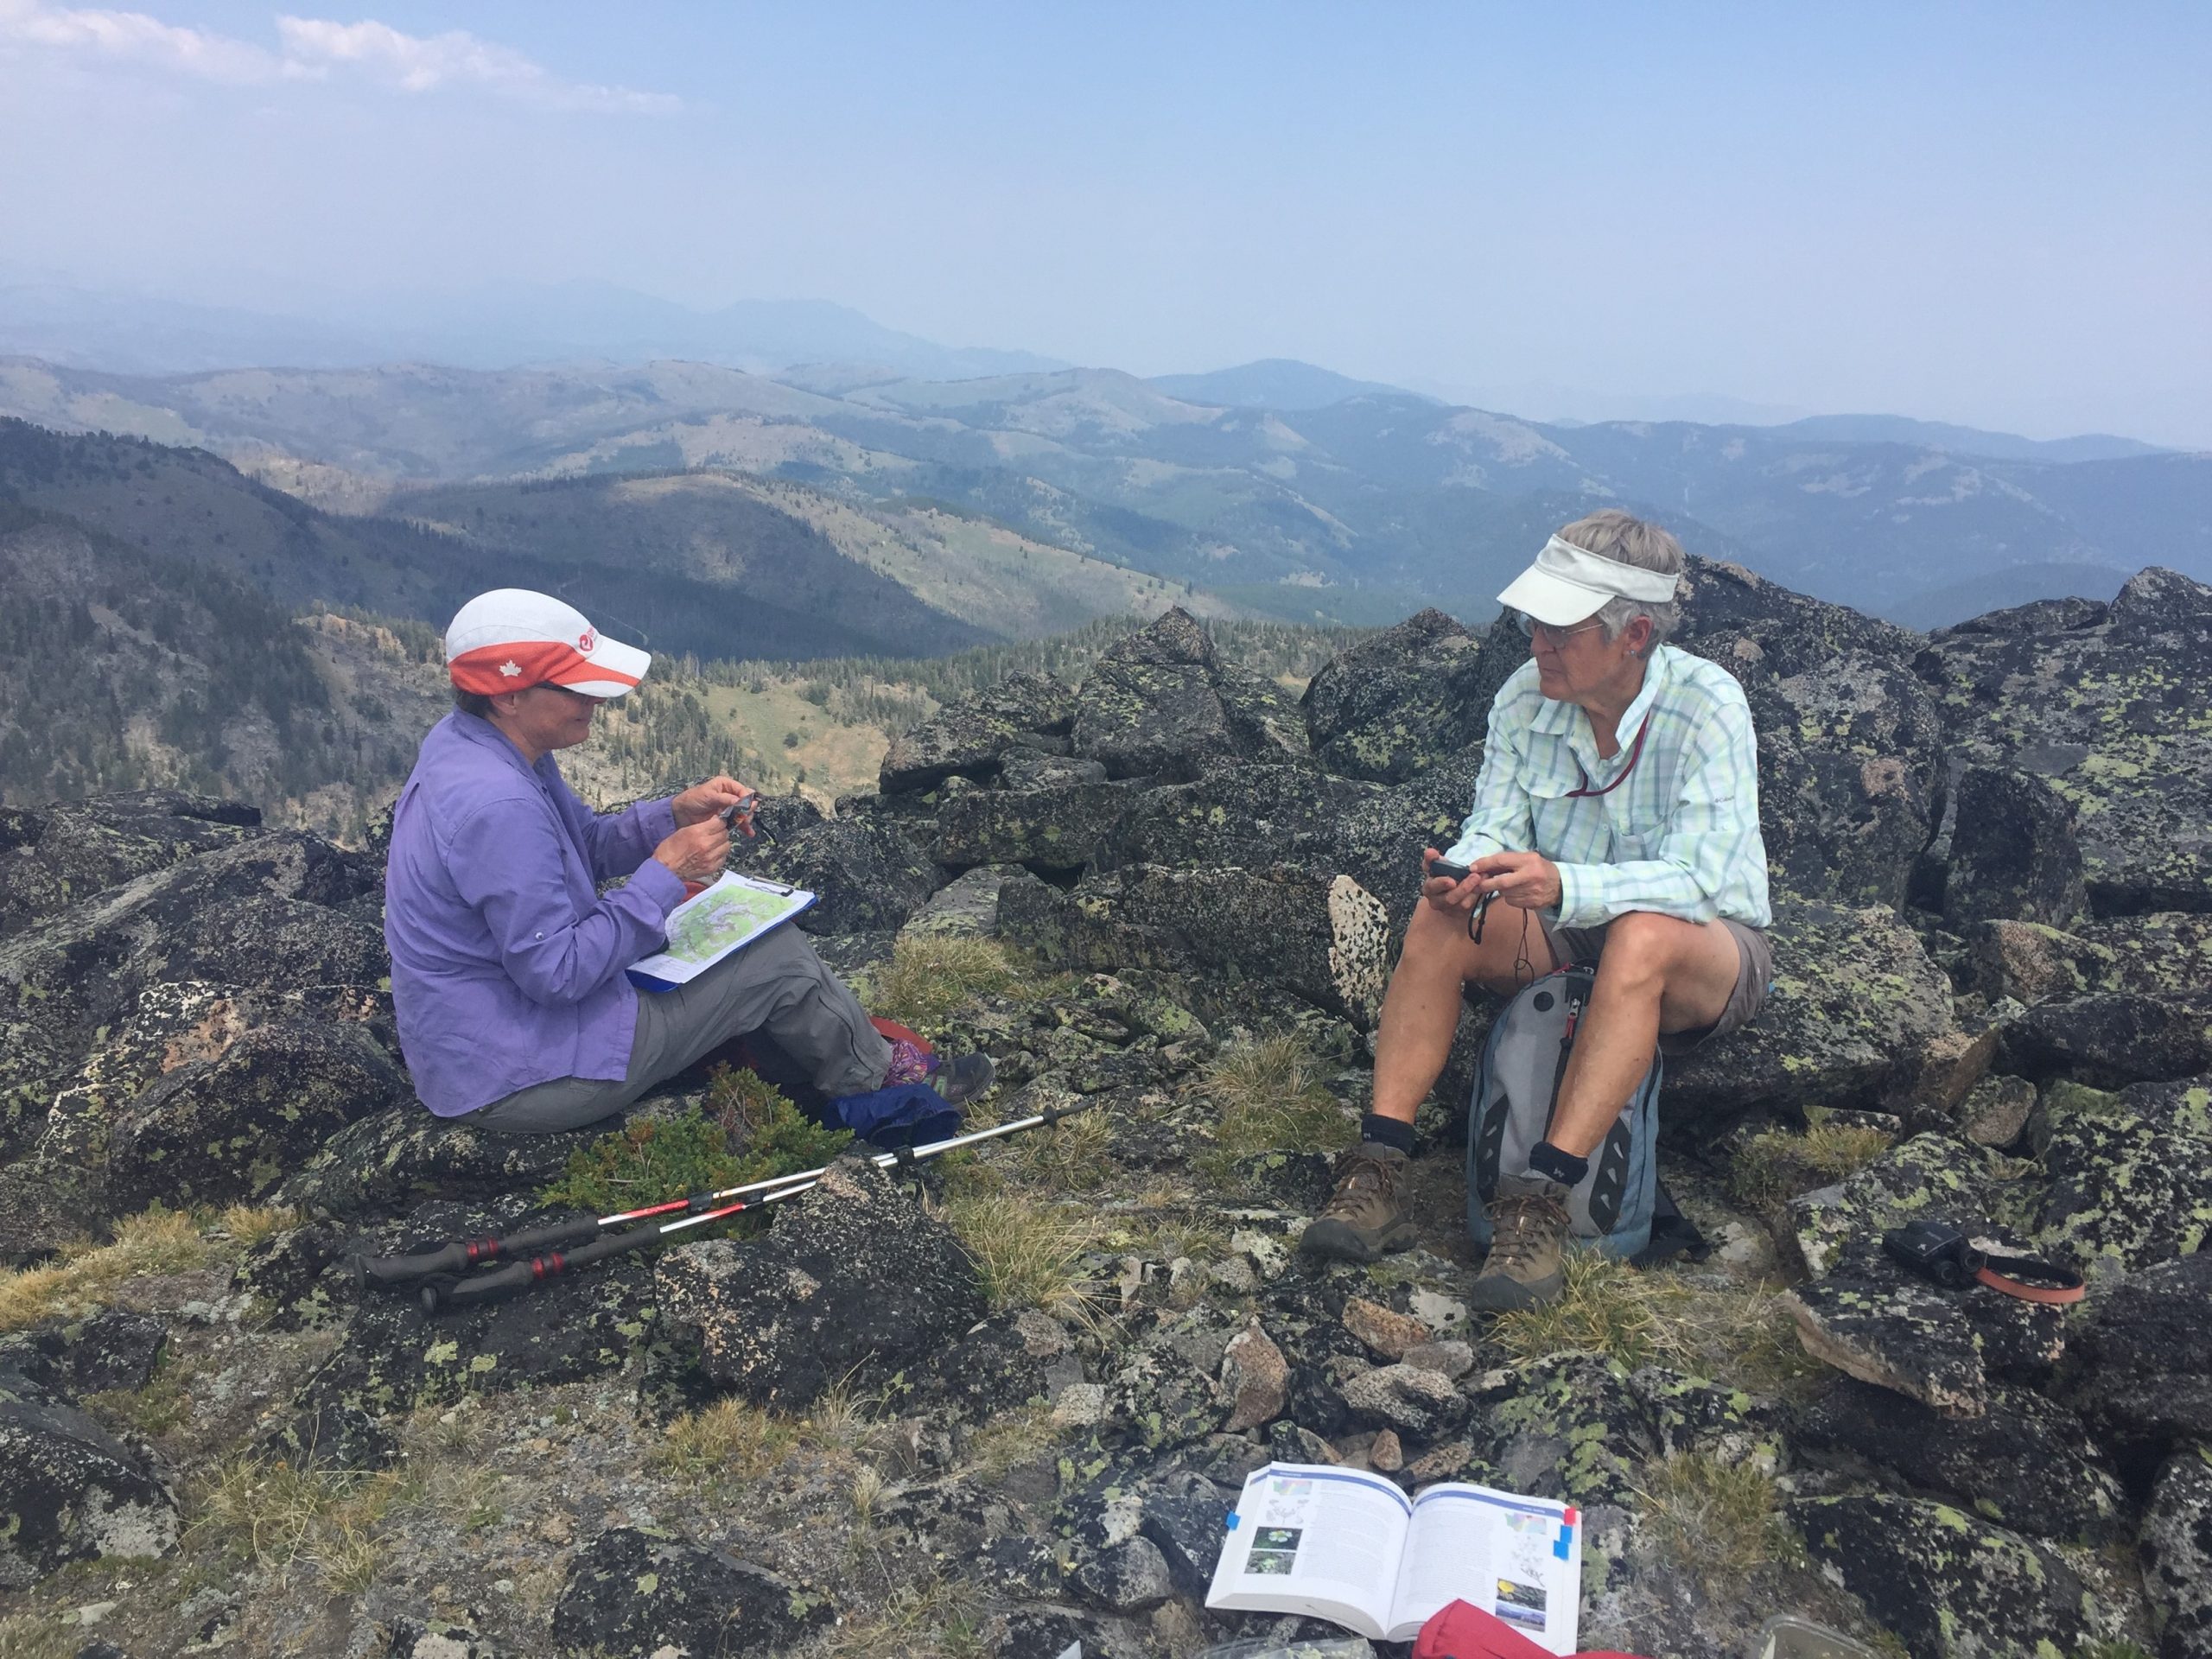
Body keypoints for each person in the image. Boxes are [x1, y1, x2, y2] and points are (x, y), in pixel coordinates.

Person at [1300, 512, 1772, 1309]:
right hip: (1561, 926)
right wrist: (1469, 869)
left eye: (1560, 628)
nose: (1536, 644)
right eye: (1533, 623)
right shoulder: (1526, 697)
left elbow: (1699, 881)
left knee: (1643, 937)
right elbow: (1495, 820)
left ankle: (1542, 1202)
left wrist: (1565, 885)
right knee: (1440, 918)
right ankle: (1378, 1168)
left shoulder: (1708, 706)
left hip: (1703, 951)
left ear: (1636, 633)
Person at [384, 588, 991, 1134]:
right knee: (773, 957)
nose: (596, 699)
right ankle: (881, 1091)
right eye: (575, 685)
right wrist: (666, 875)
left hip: (486, 1046)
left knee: (715, 924)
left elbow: (582, 846)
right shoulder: (500, 802)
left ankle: (809, 1072)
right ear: (510, 693)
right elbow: (556, 973)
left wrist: (671, 815)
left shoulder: (481, 744)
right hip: (524, 1076)